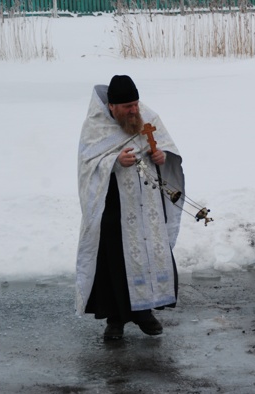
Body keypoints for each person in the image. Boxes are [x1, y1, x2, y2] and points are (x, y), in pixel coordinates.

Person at [75, 75, 185, 340]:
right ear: (112, 106)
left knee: (147, 254)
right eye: (127, 107)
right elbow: (87, 167)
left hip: (148, 206)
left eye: (135, 104)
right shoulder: (95, 126)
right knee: (114, 263)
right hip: (114, 208)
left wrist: (162, 157)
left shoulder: (148, 117)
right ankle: (115, 321)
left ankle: (144, 312)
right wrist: (113, 160)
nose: (134, 110)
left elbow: (165, 149)